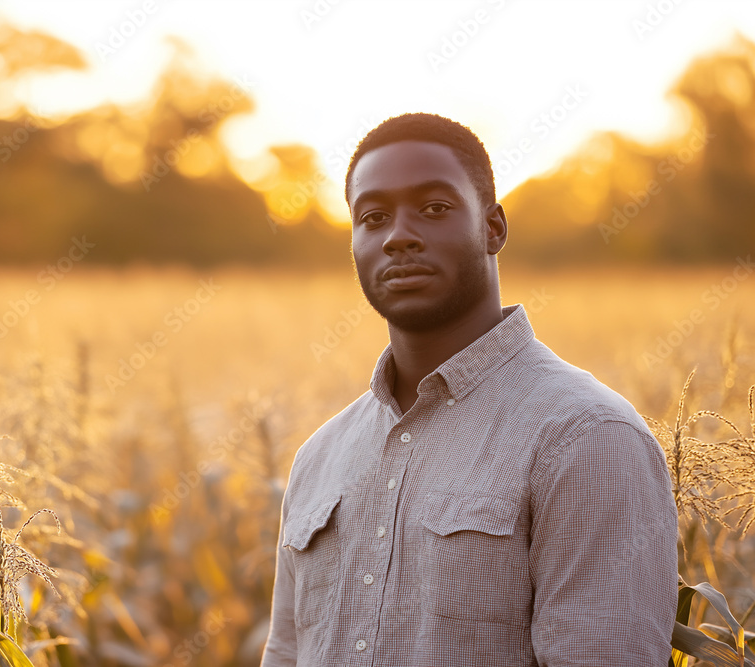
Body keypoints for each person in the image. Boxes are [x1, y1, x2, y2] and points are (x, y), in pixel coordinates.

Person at [259, 113, 678, 666]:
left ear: (494, 227)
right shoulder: (320, 457)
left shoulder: (586, 438)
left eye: (434, 209)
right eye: (373, 217)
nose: (398, 236)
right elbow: (286, 653)